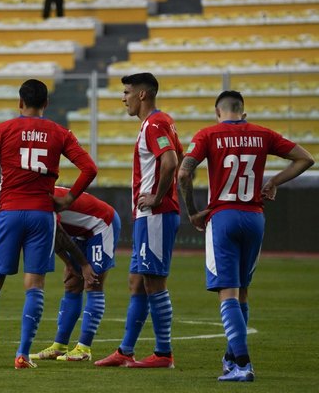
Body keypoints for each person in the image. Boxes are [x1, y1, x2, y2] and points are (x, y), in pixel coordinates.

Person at [177, 90, 314, 382]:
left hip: (223, 216)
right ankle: (230, 357)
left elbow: (184, 174)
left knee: (227, 290)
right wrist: (274, 181)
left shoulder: (208, 134)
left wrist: (192, 211)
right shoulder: (262, 134)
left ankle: (242, 363)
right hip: (254, 216)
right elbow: (305, 159)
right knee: (242, 290)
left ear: (218, 112)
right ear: (243, 112)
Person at [0, 79, 98, 369]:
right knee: (34, 283)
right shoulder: (60, 133)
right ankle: (22, 354)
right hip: (42, 214)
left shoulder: (3, 129)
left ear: (20, 103)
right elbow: (90, 168)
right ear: (46, 104)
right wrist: (69, 198)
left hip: (9, 212)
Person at [95, 72, 182, 368]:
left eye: (127, 92)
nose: (124, 98)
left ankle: (163, 353)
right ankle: (125, 351)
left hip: (155, 214)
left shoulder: (155, 124)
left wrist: (157, 197)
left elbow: (170, 162)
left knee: (154, 283)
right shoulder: (159, 122)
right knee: (137, 281)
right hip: (149, 215)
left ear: (142, 95)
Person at [30, 186, 121, 362]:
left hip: (102, 224)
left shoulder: (39, 199)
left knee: (93, 282)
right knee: (72, 284)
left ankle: (84, 348)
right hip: (81, 232)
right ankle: (60, 346)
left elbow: (60, 233)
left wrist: (84, 265)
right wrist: (69, 264)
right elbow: (53, 235)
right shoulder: (30, 201)